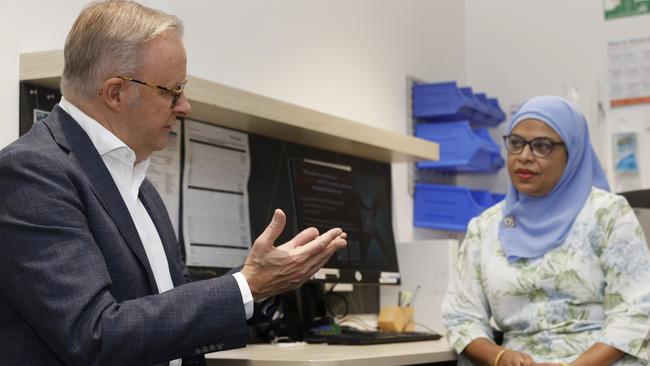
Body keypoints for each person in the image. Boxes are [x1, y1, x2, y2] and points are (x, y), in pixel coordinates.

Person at [0, 1, 347, 365]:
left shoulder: (139, 184)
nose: (185, 107)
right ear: (115, 92)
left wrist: (261, 280)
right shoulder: (31, 172)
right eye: (172, 90)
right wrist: (248, 284)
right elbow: (93, 335)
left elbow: (170, 305)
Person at [441, 96, 650, 366]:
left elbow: (635, 310)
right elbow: (461, 317)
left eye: (542, 146)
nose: (524, 157)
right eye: (516, 143)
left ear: (571, 153)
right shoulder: (484, 227)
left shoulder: (607, 213)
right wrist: (500, 356)